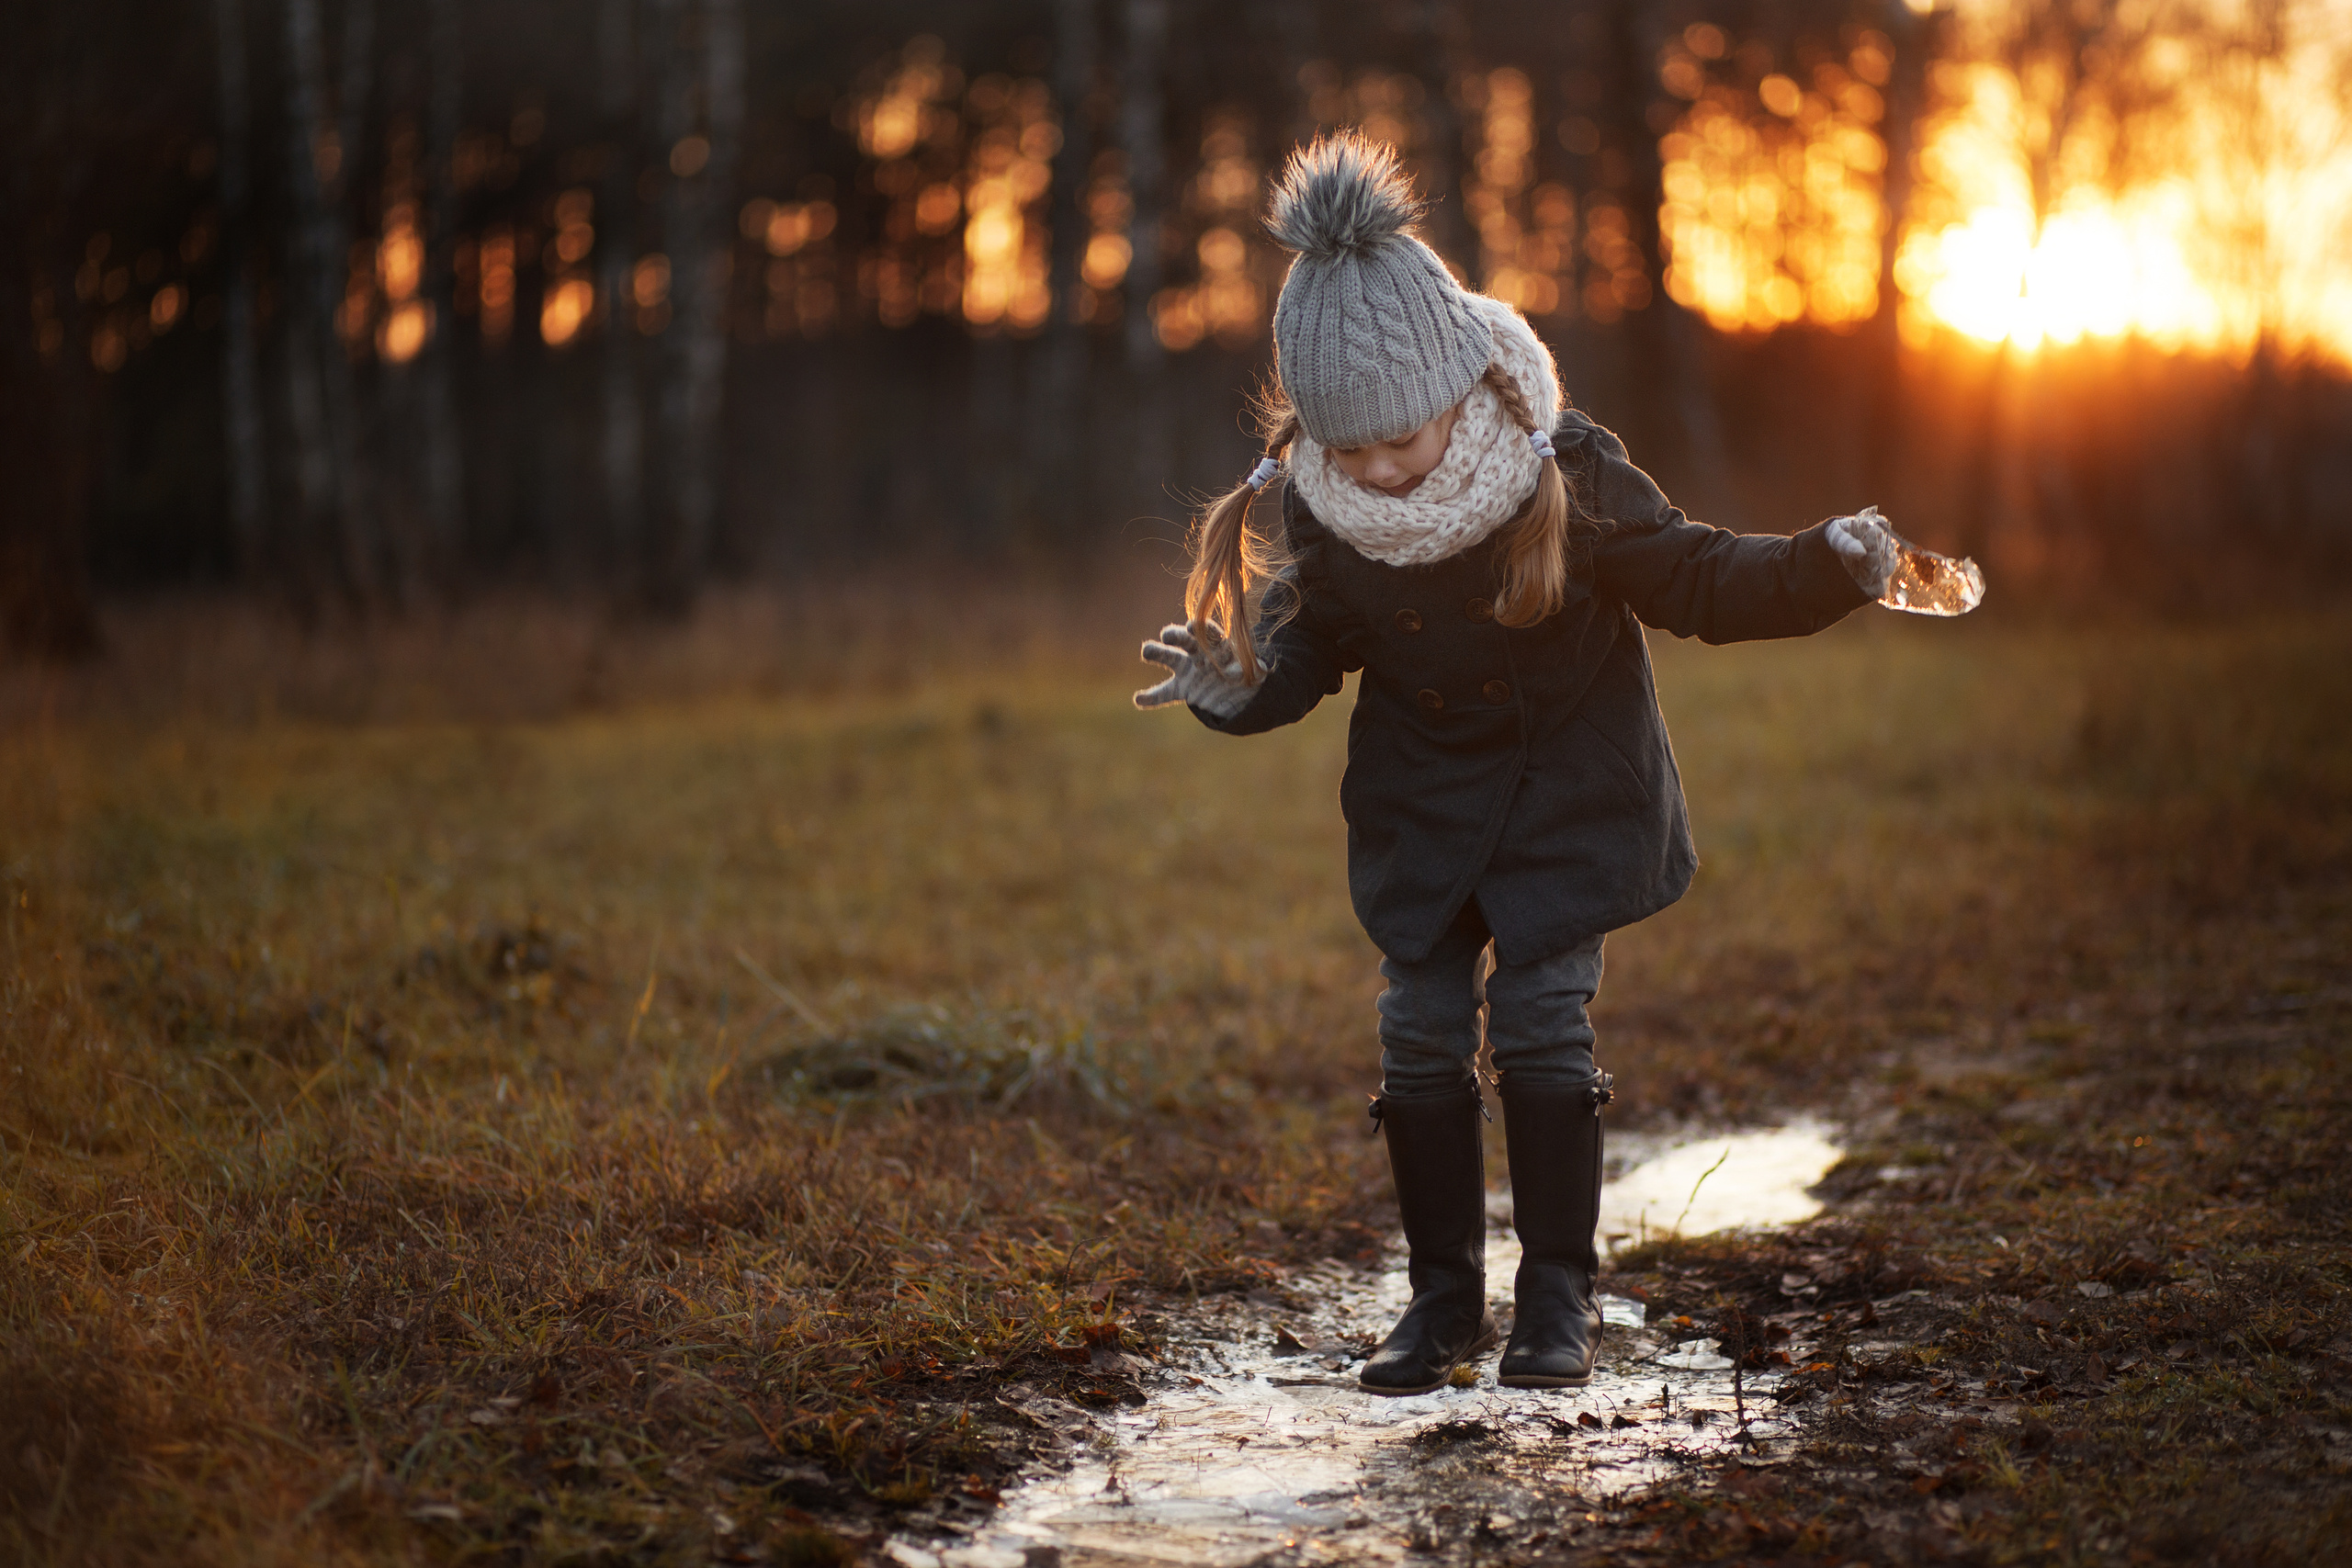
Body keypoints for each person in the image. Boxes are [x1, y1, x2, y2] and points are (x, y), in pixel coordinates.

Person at [1134, 132, 1907, 1397]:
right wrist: (1240, 690)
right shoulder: (1328, 506)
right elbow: (1303, 649)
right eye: (1350, 446)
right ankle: (1442, 1300)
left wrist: (1822, 565)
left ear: (1458, 381)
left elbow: (1698, 578)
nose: (1380, 468)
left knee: (1544, 1020)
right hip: (1423, 807)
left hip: (1566, 798)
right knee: (1416, 1030)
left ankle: (1558, 1295)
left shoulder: (1564, 466)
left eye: (1401, 436)